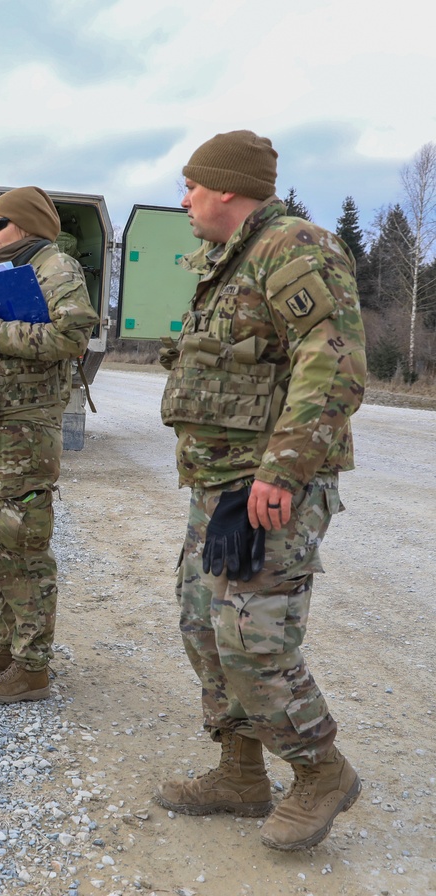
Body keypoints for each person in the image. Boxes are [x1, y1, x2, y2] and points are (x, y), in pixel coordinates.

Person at [154, 130, 367, 851]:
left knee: (252, 639)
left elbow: (332, 361)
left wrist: (283, 468)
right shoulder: (227, 260)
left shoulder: (291, 246)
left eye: (191, 186)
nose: (183, 200)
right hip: (217, 485)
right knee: (202, 629)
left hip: (270, 485)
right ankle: (241, 771)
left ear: (226, 189)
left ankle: (320, 772)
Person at [0, 187, 97, 703]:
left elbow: (73, 338)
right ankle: (6, 648)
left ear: (28, 225)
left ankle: (32, 667)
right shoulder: (12, 273)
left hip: (27, 432)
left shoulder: (57, 269)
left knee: (22, 540)